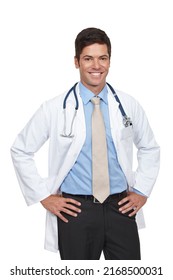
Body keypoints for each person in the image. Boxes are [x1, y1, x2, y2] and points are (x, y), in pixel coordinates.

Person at [11, 27, 160, 260]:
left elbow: (150, 148)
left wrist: (141, 191)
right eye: (88, 58)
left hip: (121, 208)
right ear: (76, 62)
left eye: (103, 58)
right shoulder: (53, 108)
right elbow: (20, 150)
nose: (96, 66)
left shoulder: (128, 105)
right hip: (76, 211)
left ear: (110, 61)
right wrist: (43, 196)